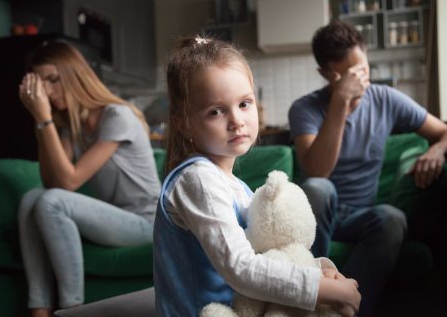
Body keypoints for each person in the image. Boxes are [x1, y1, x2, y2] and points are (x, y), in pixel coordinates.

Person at [153, 36, 361, 317]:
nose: (236, 120)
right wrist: (325, 290)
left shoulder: (236, 187)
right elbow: (241, 267)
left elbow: (267, 254)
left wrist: (321, 272)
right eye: (216, 111)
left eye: (244, 103)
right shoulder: (197, 179)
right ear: (183, 123)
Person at [288, 20, 447, 316]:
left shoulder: (386, 100)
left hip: (360, 215)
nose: (358, 83)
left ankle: (345, 310)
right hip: (318, 214)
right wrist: (340, 102)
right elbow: (317, 171)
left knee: (392, 218)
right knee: (318, 187)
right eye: (347, 76)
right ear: (326, 74)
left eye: (363, 72)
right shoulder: (305, 108)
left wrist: (437, 149)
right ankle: (309, 300)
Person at [17, 41, 161, 317]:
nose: (47, 90)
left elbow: (68, 183)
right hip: (114, 219)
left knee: (52, 201)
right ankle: (39, 308)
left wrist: (44, 117)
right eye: (42, 83)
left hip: (146, 222)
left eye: (54, 80)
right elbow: (51, 181)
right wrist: (41, 122)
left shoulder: (117, 115)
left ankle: (73, 309)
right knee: (31, 199)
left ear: (75, 76)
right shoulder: (76, 127)